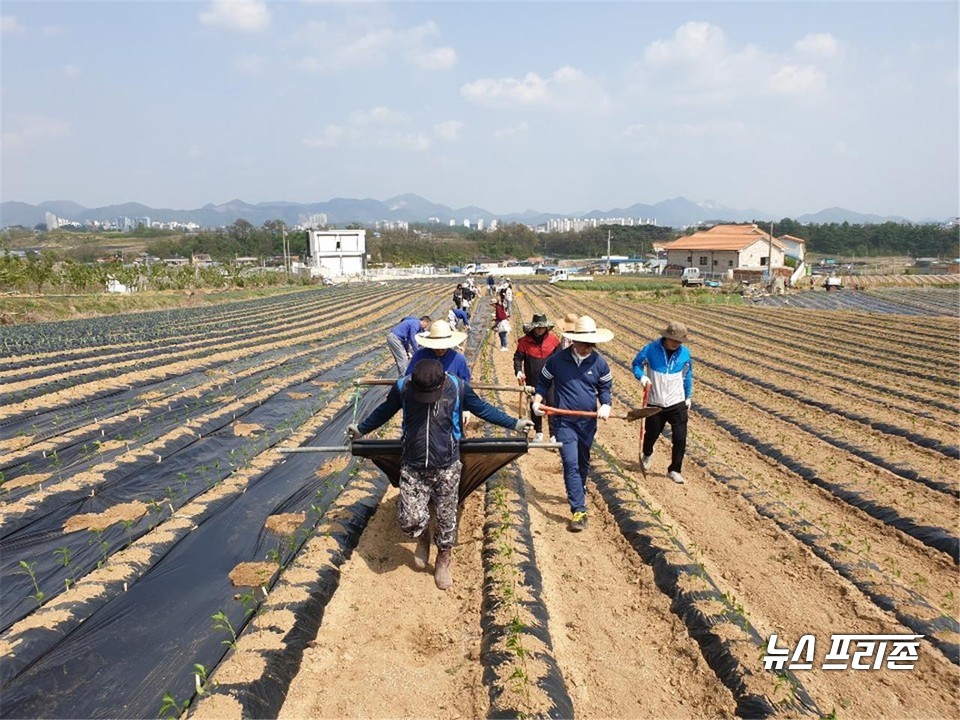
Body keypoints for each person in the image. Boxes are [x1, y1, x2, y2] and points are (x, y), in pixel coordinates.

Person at [348, 359, 534, 590]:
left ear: (441, 383)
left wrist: (514, 424)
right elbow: (384, 411)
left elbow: (483, 408)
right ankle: (423, 538)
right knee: (409, 519)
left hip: (446, 464)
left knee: (447, 518)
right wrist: (362, 429)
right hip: (413, 463)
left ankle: (443, 559)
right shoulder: (403, 387)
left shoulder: (457, 386)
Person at [531, 316, 613, 532]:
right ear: (574, 341)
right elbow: (542, 383)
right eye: (584, 343)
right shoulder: (557, 361)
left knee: (583, 460)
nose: (587, 348)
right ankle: (579, 509)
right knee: (570, 462)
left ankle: (579, 488)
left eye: (591, 344)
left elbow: (605, 389)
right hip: (564, 421)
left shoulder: (600, 364)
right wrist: (538, 401)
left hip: (588, 422)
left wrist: (606, 405)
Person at [632, 321, 693, 484]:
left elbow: (687, 375)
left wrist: (688, 396)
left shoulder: (685, 354)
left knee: (680, 438)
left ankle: (674, 469)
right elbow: (636, 364)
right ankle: (647, 454)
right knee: (651, 435)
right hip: (655, 402)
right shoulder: (651, 349)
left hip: (676, 402)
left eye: (680, 341)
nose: (676, 344)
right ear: (666, 337)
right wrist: (642, 376)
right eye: (674, 340)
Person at [513, 313, 560, 442]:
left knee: (551, 403)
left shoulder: (553, 340)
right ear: (533, 328)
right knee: (535, 404)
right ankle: (538, 431)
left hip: (551, 379)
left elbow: (560, 358)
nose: (540, 330)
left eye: (542, 327)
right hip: (533, 378)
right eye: (538, 328)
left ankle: (553, 434)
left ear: (546, 328)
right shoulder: (524, 342)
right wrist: (518, 371)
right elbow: (518, 357)